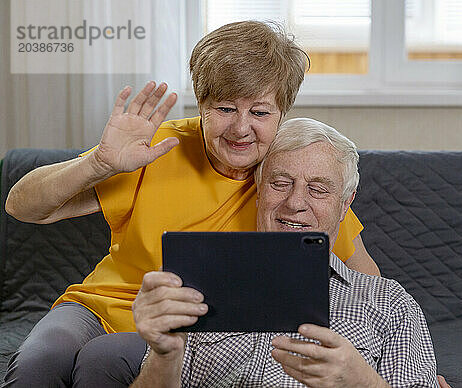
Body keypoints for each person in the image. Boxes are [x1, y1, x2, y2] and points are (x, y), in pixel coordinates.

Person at [2, 22, 379, 387]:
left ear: (283, 112)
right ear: (201, 104)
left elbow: (370, 286)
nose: (241, 129)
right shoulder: (157, 148)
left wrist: (395, 372)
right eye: (225, 109)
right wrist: (98, 163)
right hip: (98, 309)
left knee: (104, 361)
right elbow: (21, 207)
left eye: (260, 112)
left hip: (188, 334)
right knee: (39, 365)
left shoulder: (293, 181)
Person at [130, 118, 439, 387]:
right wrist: (164, 356)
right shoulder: (195, 290)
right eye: (280, 183)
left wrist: (363, 383)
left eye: (317, 189)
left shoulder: (389, 303)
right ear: (258, 189)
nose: (295, 203)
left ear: (345, 204)